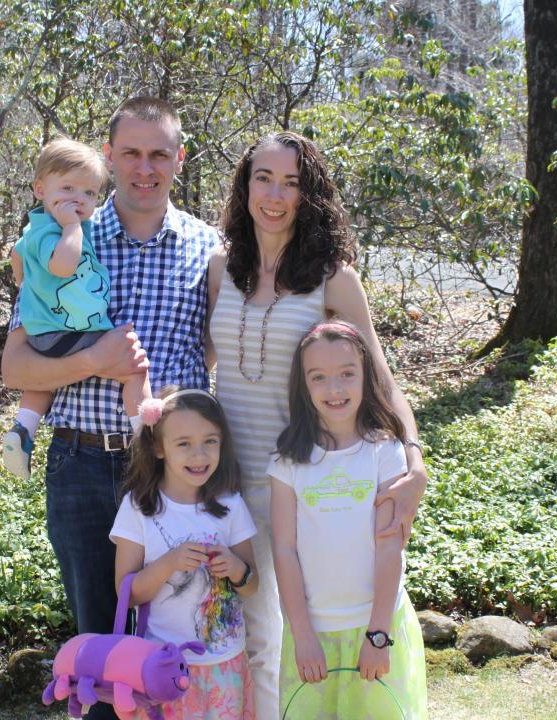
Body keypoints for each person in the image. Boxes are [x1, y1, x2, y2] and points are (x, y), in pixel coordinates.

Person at [1, 97, 218, 720]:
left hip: (170, 475)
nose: (144, 167)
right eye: (130, 152)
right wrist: (96, 361)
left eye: (158, 154)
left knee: (177, 642)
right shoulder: (68, 236)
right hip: (82, 466)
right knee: (100, 646)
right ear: (110, 156)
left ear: (179, 158)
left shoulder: (210, 248)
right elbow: (15, 366)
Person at [206, 131, 429, 717]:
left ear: (310, 196)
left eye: (292, 183)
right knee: (250, 643)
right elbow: (203, 368)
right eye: (264, 178)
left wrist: (415, 456)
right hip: (226, 487)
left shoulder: (333, 278)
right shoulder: (219, 269)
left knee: (299, 636)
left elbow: (380, 376)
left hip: (305, 488)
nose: (275, 194)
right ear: (244, 184)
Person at [269, 321, 427, 719]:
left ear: (366, 376)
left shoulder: (384, 451)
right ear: (303, 386)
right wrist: (301, 634)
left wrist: (378, 633)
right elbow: (284, 549)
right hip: (312, 634)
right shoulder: (288, 461)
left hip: (373, 628)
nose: (334, 389)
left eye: (346, 374)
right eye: (318, 377)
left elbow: (389, 543)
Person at [2, 138, 151, 480]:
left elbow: (18, 260)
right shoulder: (52, 231)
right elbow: (65, 266)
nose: (78, 200)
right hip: (71, 331)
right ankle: (145, 434)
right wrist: (72, 227)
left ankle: (23, 429)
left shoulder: (32, 233)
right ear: (40, 189)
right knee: (133, 367)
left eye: (89, 194)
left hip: (47, 335)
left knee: (45, 381)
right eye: (67, 188)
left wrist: (25, 275)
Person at [111, 387, 259, 719]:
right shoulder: (139, 509)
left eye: (210, 441)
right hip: (164, 666)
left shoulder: (230, 506)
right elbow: (126, 593)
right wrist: (168, 563)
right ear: (158, 448)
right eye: (184, 444)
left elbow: (252, 586)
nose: (199, 455)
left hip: (225, 664)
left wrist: (237, 570)